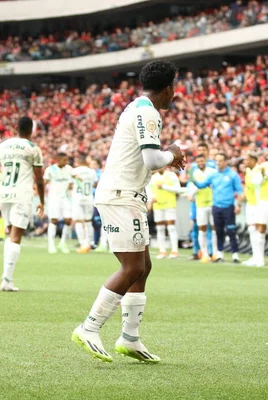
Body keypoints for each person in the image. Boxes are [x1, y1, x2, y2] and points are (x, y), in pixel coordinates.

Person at [72, 60, 184, 363]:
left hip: (125, 194)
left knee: (143, 267)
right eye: (175, 87)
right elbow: (151, 160)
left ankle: (130, 338)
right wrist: (172, 152)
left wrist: (168, 153)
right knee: (133, 268)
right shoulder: (149, 112)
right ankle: (89, 327)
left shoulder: (137, 107)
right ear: (169, 88)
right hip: (122, 196)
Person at [0, 116, 45, 292]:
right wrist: (42, 201)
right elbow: (40, 179)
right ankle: (6, 279)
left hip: (4, 194)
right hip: (21, 195)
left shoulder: (2, 146)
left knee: (11, 234)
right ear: (31, 130)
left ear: (16, 128)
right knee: (16, 237)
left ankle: (6, 276)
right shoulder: (33, 149)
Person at [194, 153, 243, 263]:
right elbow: (202, 185)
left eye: (220, 161)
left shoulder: (233, 175)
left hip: (228, 207)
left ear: (226, 162)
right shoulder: (213, 174)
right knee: (218, 231)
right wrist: (193, 180)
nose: (218, 163)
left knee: (231, 231)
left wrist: (238, 205)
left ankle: (235, 254)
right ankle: (219, 253)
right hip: (216, 207)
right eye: (217, 161)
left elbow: (239, 191)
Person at [188, 154, 218, 263]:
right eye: (198, 161)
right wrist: (191, 193)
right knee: (202, 229)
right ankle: (205, 254)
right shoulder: (194, 174)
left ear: (205, 160)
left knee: (214, 228)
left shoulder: (212, 171)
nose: (200, 163)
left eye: (202, 160)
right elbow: (191, 190)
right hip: (200, 205)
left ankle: (215, 253)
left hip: (212, 203)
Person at [147, 167, 181, 259]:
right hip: (158, 205)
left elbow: (178, 189)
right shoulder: (153, 177)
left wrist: (164, 186)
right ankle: (162, 251)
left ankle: (175, 251)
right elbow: (149, 190)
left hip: (169, 204)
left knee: (171, 228)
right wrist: (151, 198)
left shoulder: (172, 175)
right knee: (160, 228)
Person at [44, 153, 74, 254]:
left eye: (67, 160)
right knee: (54, 220)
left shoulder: (69, 169)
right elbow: (44, 183)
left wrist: (71, 189)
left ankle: (62, 243)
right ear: (58, 159)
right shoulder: (50, 170)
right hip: (54, 198)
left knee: (68, 220)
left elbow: (71, 183)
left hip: (66, 198)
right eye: (64, 160)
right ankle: (51, 245)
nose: (66, 162)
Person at [71, 155, 98, 254]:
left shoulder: (74, 171)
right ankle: (90, 243)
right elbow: (95, 184)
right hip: (88, 198)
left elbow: (70, 184)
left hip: (78, 198)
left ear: (78, 161)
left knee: (79, 221)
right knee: (88, 221)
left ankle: (83, 244)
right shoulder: (92, 171)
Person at [242, 154, 264, 267]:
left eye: (246, 159)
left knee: (258, 230)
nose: (244, 161)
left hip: (259, 204)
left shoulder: (259, 171)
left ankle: (260, 258)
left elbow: (258, 184)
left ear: (253, 160)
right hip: (250, 204)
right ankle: (255, 256)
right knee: (251, 230)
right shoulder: (248, 171)